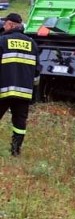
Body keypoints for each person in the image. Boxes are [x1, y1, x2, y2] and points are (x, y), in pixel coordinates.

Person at [0, 13, 39, 156]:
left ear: (10, 24)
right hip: (24, 93)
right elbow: (37, 71)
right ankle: (15, 151)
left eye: (5, 23)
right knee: (20, 124)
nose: (3, 26)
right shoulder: (32, 43)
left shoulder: (2, 41)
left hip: (4, 91)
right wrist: (34, 93)